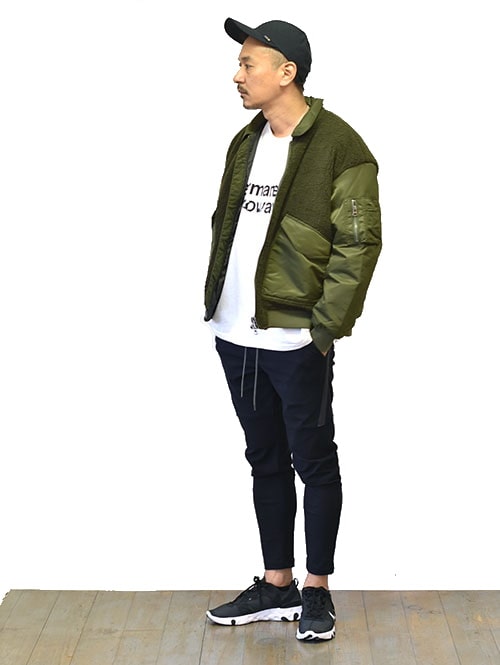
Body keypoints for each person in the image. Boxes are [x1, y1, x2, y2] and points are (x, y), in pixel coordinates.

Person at [204, 17, 382, 642]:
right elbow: (227, 227)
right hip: (236, 334)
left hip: (294, 338)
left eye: (248, 63)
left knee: (314, 460)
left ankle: (317, 587)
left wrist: (323, 329)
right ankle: (276, 582)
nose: (237, 74)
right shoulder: (245, 142)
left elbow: (359, 244)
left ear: (287, 72)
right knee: (264, 458)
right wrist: (220, 308)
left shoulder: (340, 147)